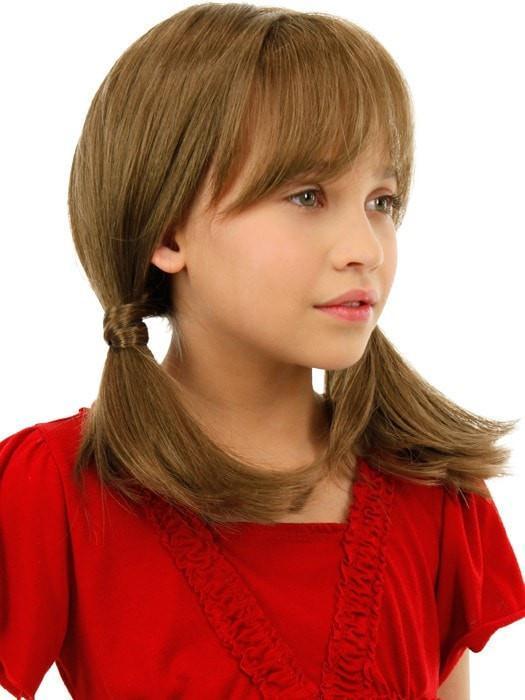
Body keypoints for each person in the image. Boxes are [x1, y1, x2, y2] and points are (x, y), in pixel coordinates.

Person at [1, 3, 524, 699]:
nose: (365, 249)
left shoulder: (432, 493)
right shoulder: (57, 491)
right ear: (168, 233)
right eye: (307, 196)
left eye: (381, 201)